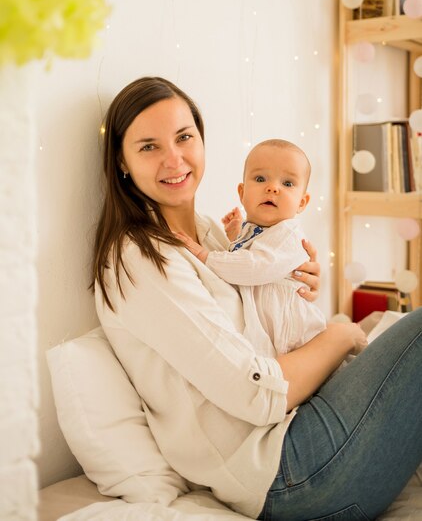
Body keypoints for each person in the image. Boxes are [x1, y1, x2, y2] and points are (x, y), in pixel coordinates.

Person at [92, 76, 422, 521]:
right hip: (287, 472)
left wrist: (295, 291)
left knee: (391, 323)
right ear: (123, 162)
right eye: (148, 146)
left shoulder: (214, 233)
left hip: (301, 429)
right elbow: (255, 394)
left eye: (185, 137)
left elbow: (258, 315)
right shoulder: (139, 259)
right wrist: (340, 335)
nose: (174, 158)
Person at [175, 139, 327, 358]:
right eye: (260, 178)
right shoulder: (256, 229)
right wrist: (236, 235)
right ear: (242, 193)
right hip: (272, 339)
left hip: (297, 337)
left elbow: (256, 266)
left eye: (287, 183)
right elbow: (250, 254)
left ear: (302, 203)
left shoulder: (288, 235)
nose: (272, 187)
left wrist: (206, 256)